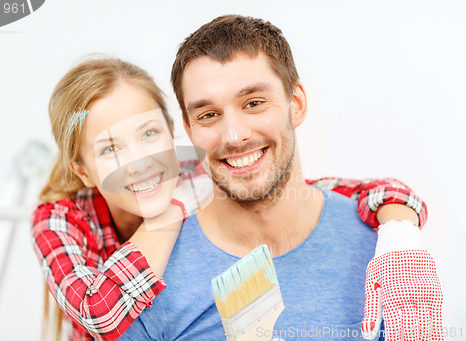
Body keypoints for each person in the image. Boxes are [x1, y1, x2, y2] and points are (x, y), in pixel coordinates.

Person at [31, 58, 429, 341]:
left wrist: (399, 230)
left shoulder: (194, 171)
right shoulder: (58, 220)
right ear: (82, 170)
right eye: (110, 149)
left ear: (174, 133)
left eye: (150, 134)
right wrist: (171, 213)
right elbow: (99, 311)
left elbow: (323, 190)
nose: (139, 163)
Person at [118, 15, 443, 341]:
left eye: (254, 103)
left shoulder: (388, 254)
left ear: (296, 104)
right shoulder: (152, 284)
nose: (233, 136)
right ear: (190, 130)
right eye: (209, 115)